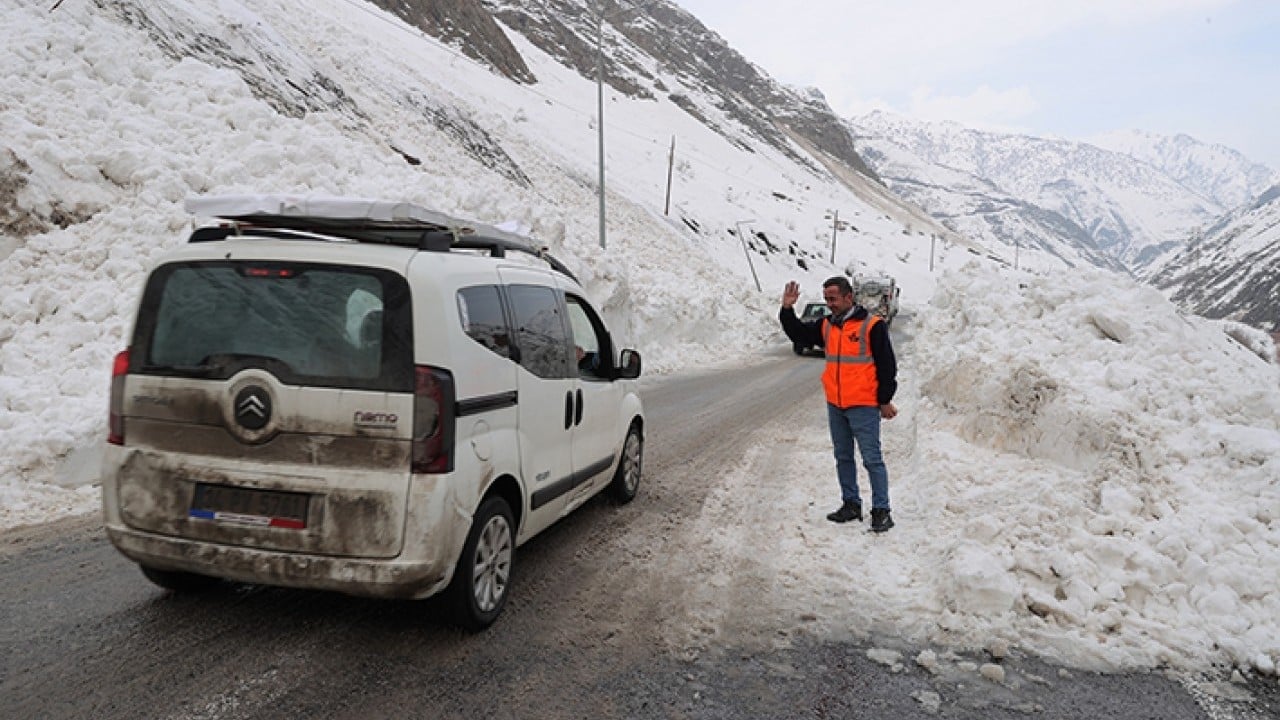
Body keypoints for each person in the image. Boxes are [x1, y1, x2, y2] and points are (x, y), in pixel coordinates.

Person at [779, 277, 899, 532]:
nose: (829, 304)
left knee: (872, 459)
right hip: (836, 405)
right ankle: (851, 504)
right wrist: (787, 310)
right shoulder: (827, 326)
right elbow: (799, 333)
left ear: (848, 297)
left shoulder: (872, 326)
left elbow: (887, 366)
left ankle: (881, 510)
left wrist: (885, 400)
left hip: (864, 405)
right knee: (843, 457)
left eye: (833, 299)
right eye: (826, 299)